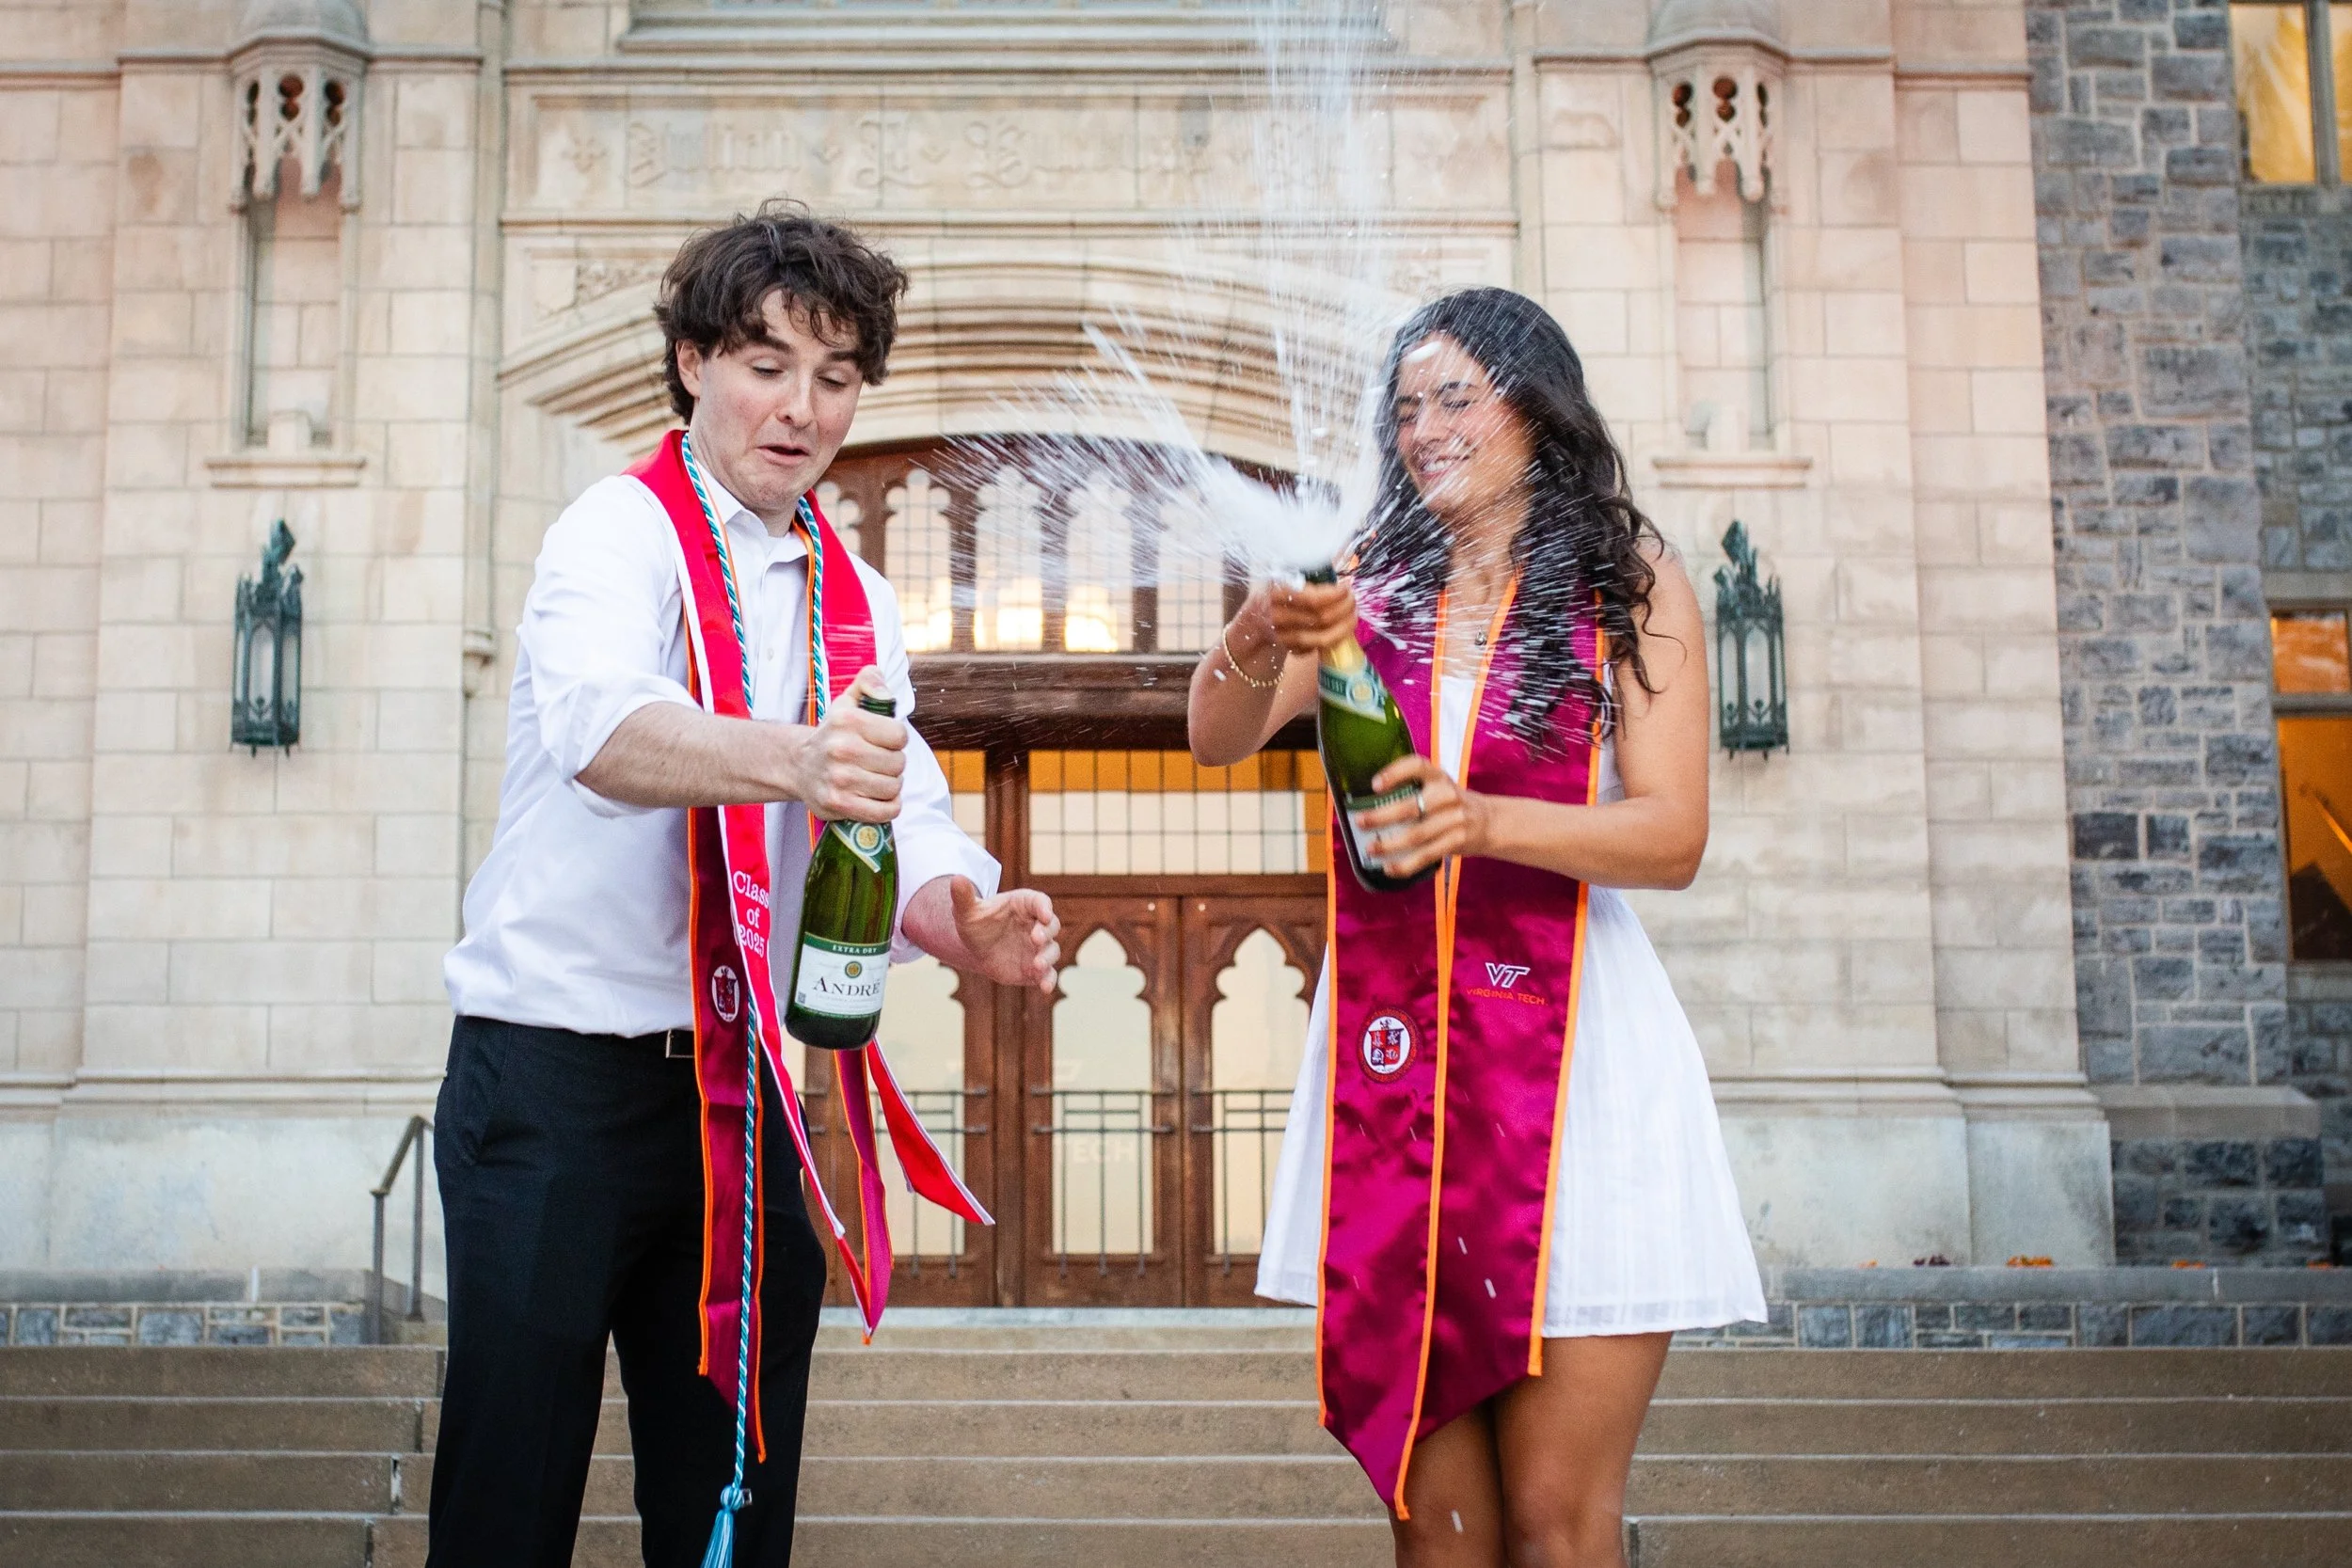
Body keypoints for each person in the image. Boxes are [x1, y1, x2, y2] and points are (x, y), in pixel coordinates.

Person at [432, 202, 1060, 1568]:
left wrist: (966, 916)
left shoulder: (859, 600)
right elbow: (604, 730)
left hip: (741, 1096)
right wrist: (801, 756)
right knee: (508, 1495)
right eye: (768, 365)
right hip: (553, 1085)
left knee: (734, 1505)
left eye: (837, 378)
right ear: (691, 363)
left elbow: (907, 814)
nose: (802, 408)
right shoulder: (614, 533)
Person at [1189, 287, 1763, 1568]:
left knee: (1557, 1528)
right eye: (1406, 406)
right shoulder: (1367, 589)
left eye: (1458, 396)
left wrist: (1480, 824)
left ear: (1536, 408)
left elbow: (1670, 834)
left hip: (1578, 1081)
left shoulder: (1631, 582)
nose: (1425, 426)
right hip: (1397, 1073)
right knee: (1435, 1529)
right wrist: (1254, 624)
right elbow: (1214, 734)